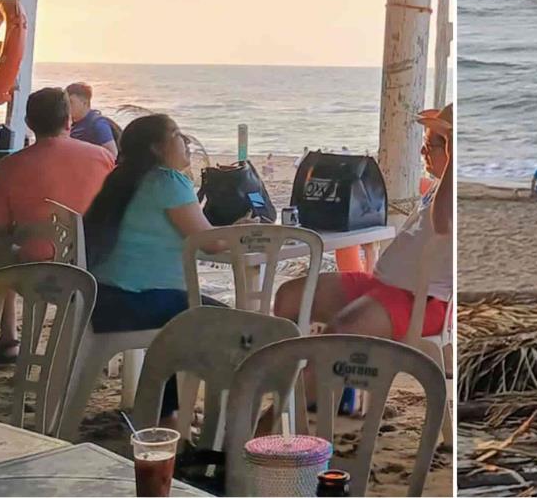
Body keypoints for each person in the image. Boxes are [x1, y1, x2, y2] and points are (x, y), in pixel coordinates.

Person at [273, 104, 452, 393]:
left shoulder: (454, 190)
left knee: (338, 334)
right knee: (289, 297)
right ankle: (300, 391)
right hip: (383, 284)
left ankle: (279, 416)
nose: (423, 152)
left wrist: (455, 156)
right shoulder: (437, 186)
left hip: (424, 302)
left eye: (430, 144)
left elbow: (442, 224)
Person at [83, 114, 232, 423]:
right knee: (222, 322)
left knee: (189, 312)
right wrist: (243, 231)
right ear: (156, 147)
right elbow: (210, 244)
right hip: (137, 300)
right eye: (177, 134)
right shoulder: (168, 181)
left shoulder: (121, 178)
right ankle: (169, 415)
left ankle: (167, 410)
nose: (186, 141)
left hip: (102, 298)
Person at [0, 88, 114, 362]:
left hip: (38, 274)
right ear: (68, 120)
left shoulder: (10, 165)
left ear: (29, 123)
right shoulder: (102, 157)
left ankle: (7, 339)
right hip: (95, 270)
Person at [66, 82, 118, 157]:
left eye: (71, 102)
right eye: (65, 102)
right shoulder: (69, 123)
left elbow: (113, 154)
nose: (67, 106)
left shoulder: (98, 124)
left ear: (85, 103)